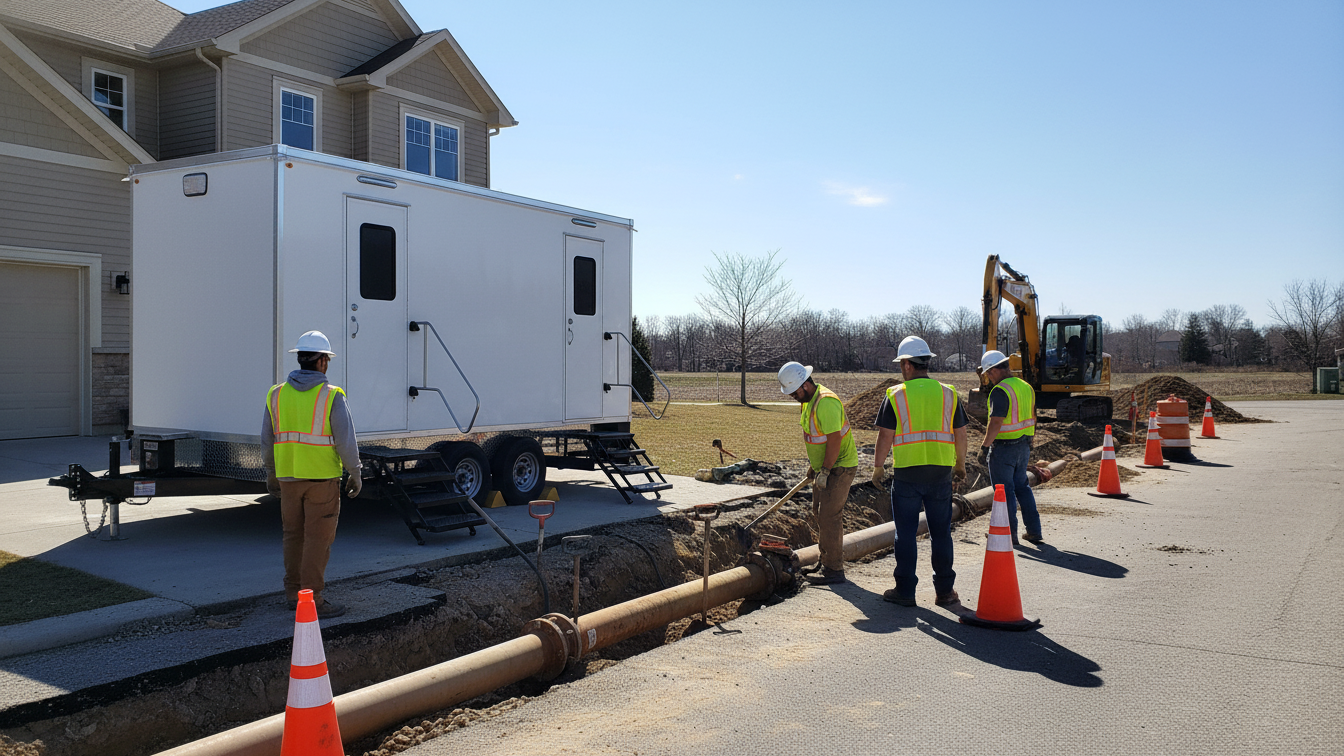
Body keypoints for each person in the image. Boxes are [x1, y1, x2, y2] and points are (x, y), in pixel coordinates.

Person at [263, 331, 361, 618]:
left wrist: (271, 472)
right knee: (318, 540)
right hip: (321, 481)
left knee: (292, 536)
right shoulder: (332, 396)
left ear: (300, 359)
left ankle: (293, 594)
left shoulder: (276, 394)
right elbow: (346, 440)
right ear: (322, 362)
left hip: (288, 479)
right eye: (326, 359)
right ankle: (312, 600)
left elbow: (266, 440)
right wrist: (355, 472)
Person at [871, 336, 967, 607]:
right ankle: (945, 592)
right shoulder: (949, 393)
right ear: (926, 362)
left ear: (906, 365)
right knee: (941, 533)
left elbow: (884, 437)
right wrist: (959, 465)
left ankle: (905, 591)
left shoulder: (895, 395)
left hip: (907, 476)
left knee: (905, 533)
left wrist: (878, 468)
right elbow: (961, 433)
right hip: (940, 474)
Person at [778, 361, 858, 585]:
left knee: (829, 516)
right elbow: (816, 437)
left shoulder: (825, 402)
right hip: (824, 466)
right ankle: (826, 560)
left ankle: (834, 570)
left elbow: (834, 440)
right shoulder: (808, 401)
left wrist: (825, 469)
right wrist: (814, 466)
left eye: (794, 392)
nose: (792, 396)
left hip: (839, 466)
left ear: (805, 384)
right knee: (819, 512)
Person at [977, 350, 1041, 546]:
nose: (988, 377)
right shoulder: (1025, 386)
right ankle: (1034, 531)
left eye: (988, 373)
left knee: (1004, 491)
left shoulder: (1000, 391)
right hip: (1023, 445)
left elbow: (995, 422)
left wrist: (985, 447)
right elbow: (1033, 416)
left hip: (1004, 448)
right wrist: (1030, 439)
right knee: (1022, 487)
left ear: (996, 370)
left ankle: (1008, 534)